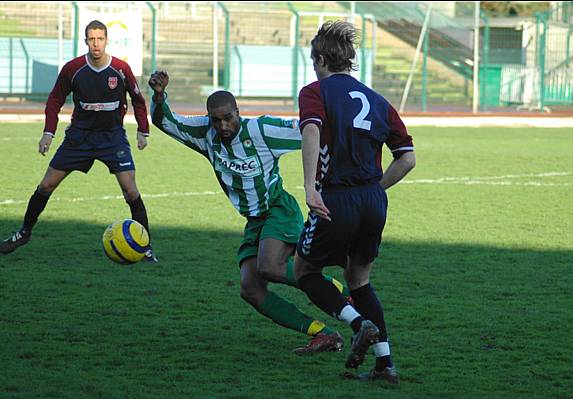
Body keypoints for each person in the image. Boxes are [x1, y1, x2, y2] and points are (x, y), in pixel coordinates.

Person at [148, 70, 350, 354]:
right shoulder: (205, 134)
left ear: (238, 112)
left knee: (269, 266)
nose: (223, 125)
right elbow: (166, 121)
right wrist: (159, 96)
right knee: (250, 289)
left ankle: (340, 293)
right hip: (255, 221)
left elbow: (309, 130)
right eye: (216, 120)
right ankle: (324, 333)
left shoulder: (262, 130)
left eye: (228, 117)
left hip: (279, 209)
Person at [293, 21, 416, 383]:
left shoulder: (315, 92)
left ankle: (359, 324)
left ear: (319, 59)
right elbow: (407, 158)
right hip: (374, 201)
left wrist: (309, 187)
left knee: (305, 271)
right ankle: (385, 365)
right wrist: (375, 189)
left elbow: (311, 130)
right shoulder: (378, 101)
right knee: (358, 280)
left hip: (336, 198)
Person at [0, 20, 157, 262]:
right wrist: (48, 132)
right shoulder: (73, 69)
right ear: (85, 42)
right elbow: (54, 100)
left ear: (107, 41)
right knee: (46, 186)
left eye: (100, 39)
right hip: (79, 137)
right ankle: (24, 232)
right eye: (91, 39)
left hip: (112, 138)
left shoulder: (120, 69)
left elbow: (137, 99)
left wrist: (142, 130)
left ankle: (145, 248)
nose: (96, 44)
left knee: (130, 189)